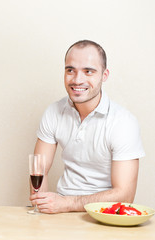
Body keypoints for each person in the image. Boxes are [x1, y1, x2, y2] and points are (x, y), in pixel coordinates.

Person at [30, 40, 145, 213]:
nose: (77, 80)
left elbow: (125, 195)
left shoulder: (123, 122)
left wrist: (67, 204)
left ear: (104, 75)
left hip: (105, 214)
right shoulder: (54, 112)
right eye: (70, 70)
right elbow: (39, 171)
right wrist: (41, 209)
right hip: (61, 213)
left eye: (88, 71)